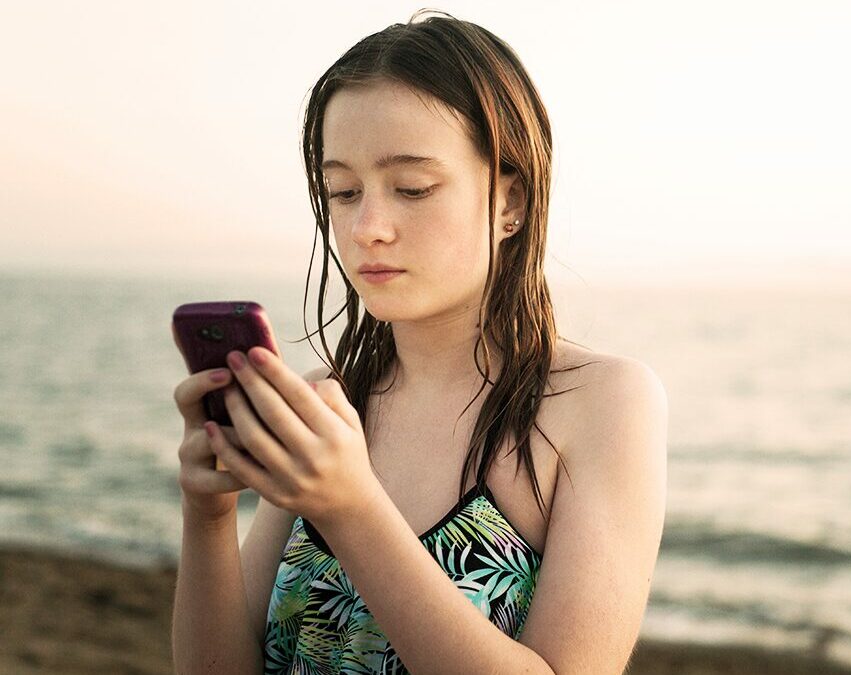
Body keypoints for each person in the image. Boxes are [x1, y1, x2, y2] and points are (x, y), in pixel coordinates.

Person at [171, 10, 667, 674]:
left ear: (510, 202)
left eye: (413, 188)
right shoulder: (331, 401)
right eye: (342, 191)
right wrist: (208, 514)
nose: (369, 226)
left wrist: (351, 508)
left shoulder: (604, 402)